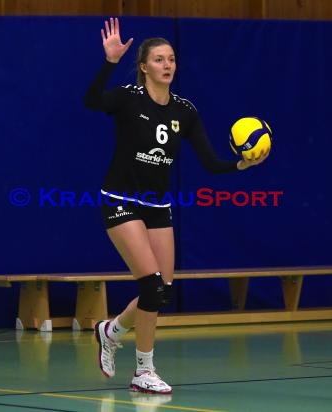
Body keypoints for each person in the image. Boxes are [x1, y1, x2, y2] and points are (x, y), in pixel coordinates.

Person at [84, 17, 269, 394]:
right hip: (120, 200)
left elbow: (212, 163)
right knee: (150, 285)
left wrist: (242, 163)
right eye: (159, 59)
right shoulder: (127, 97)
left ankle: (111, 330)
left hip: (156, 205)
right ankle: (143, 370)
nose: (167, 65)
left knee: (162, 290)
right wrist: (108, 61)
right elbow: (91, 101)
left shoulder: (185, 111)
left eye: (171, 59)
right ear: (143, 66)